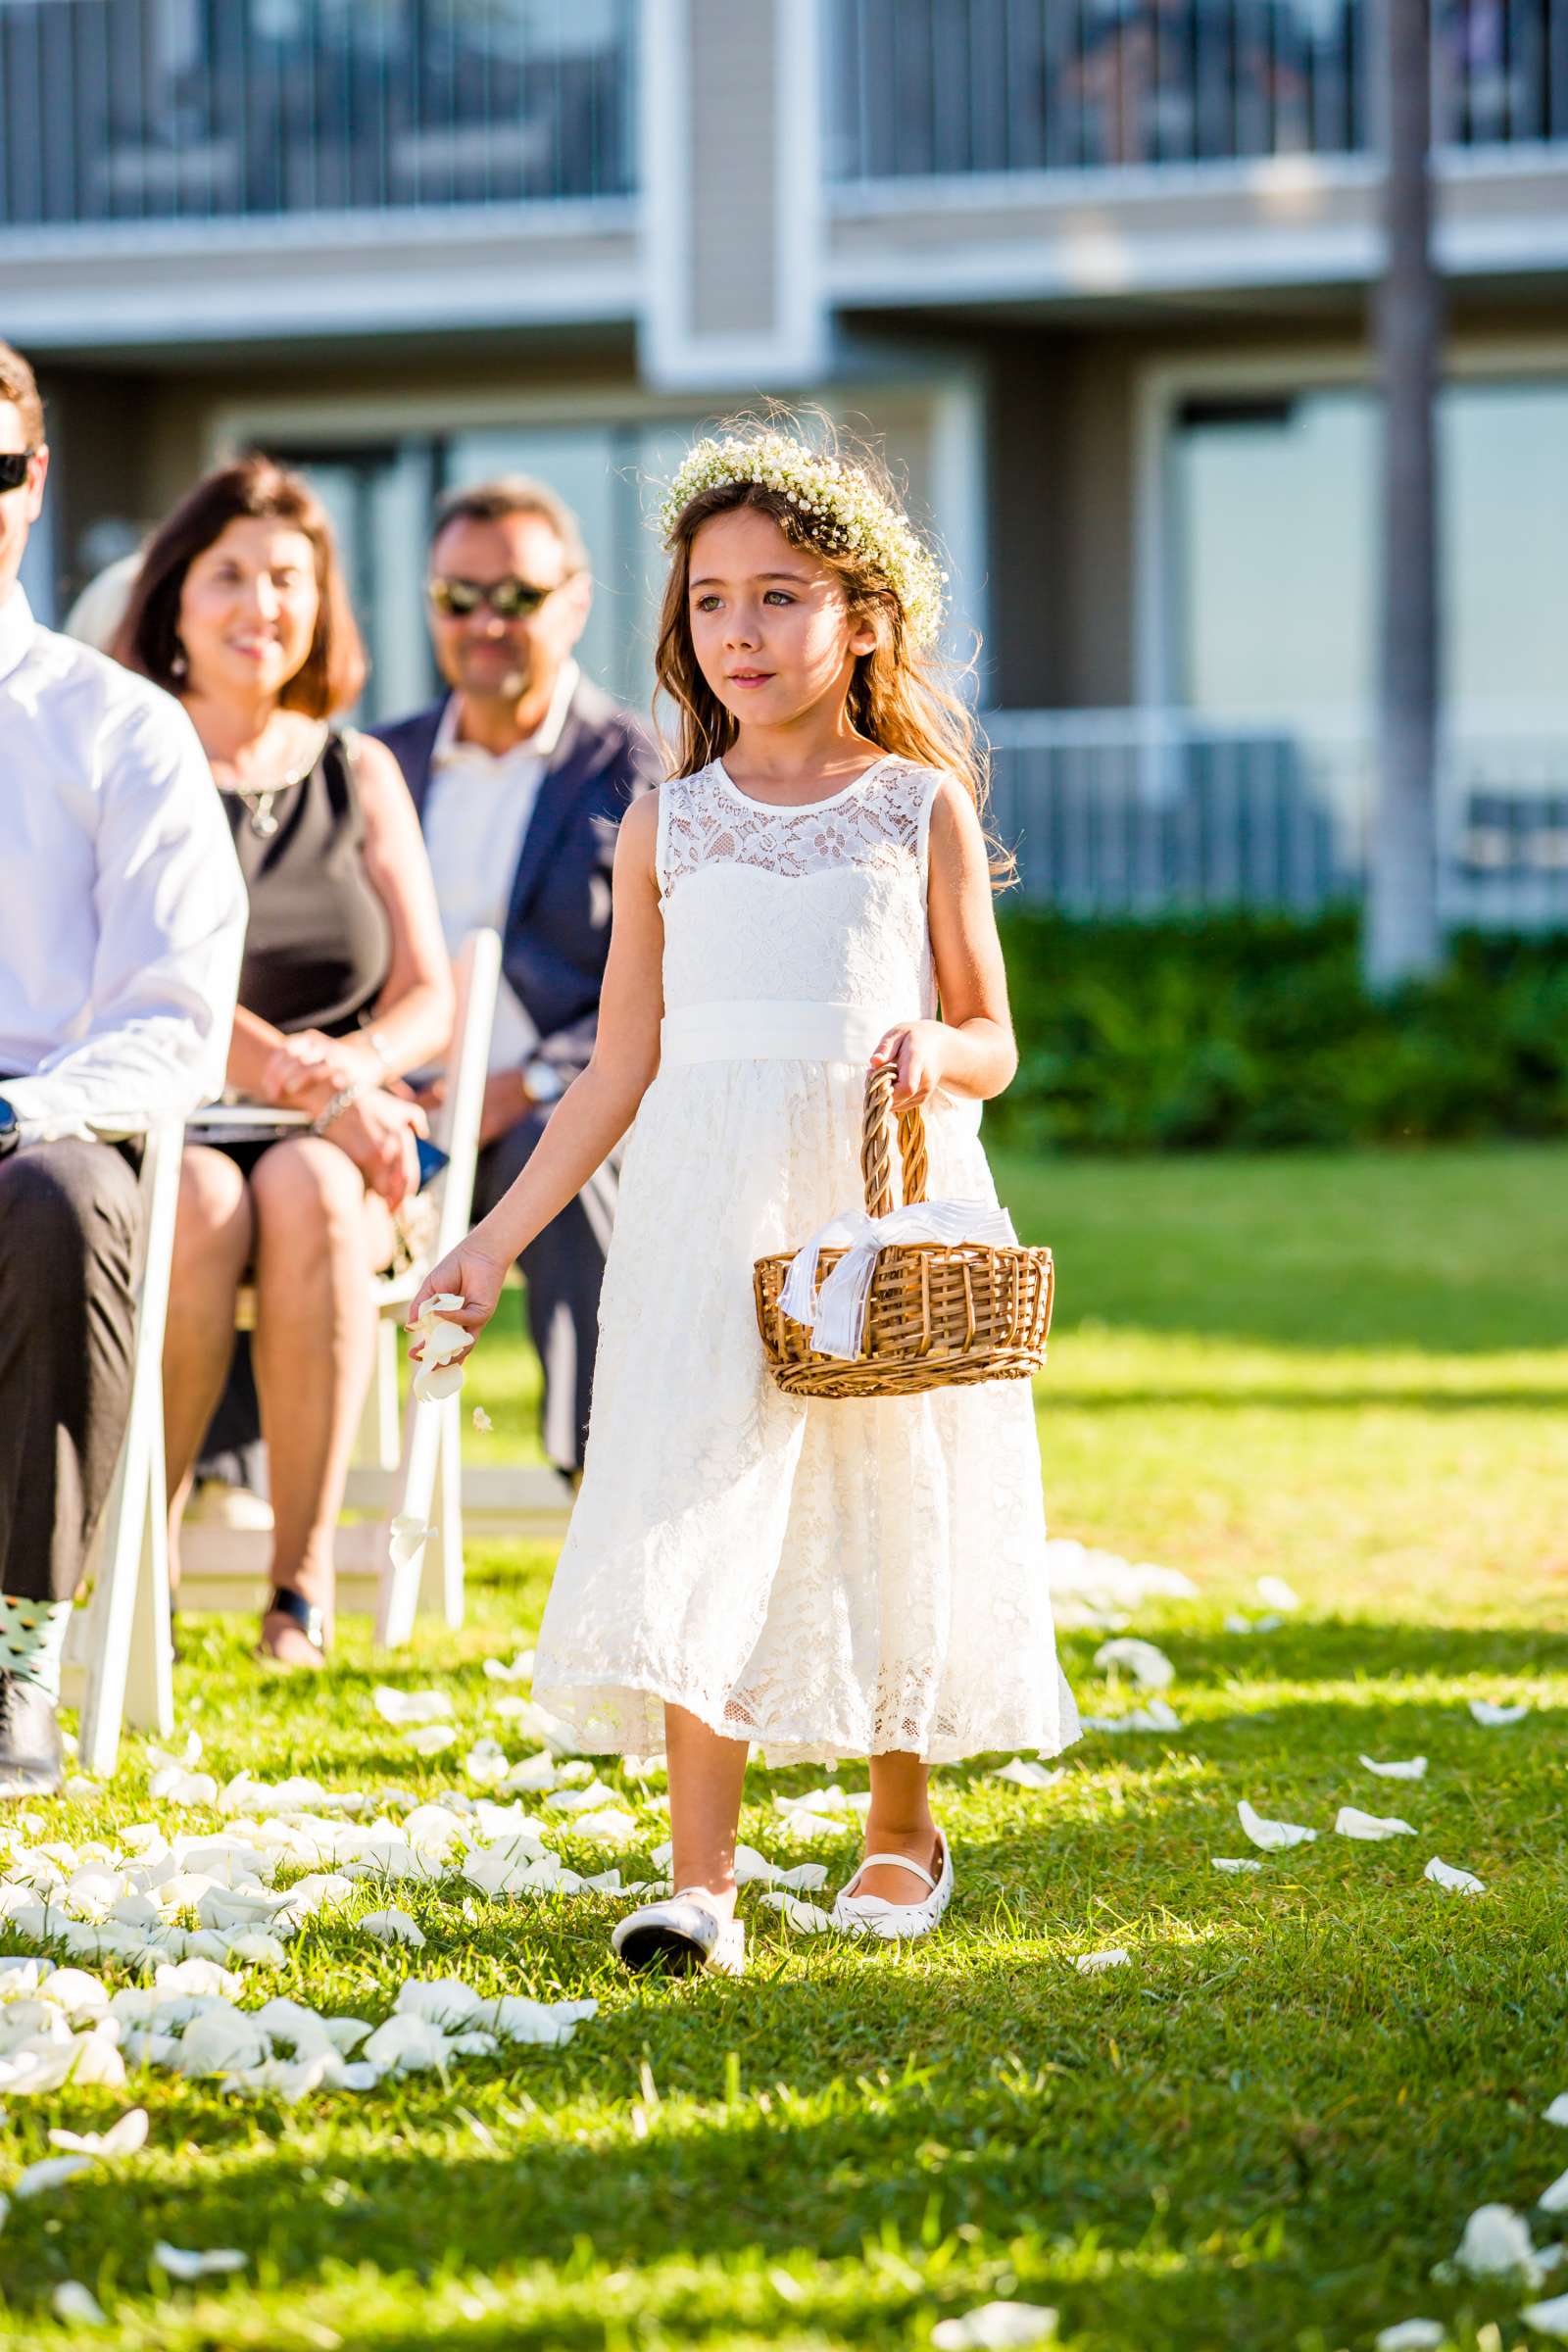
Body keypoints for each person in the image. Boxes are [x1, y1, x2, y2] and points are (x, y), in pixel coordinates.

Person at [410, 423, 1079, 1974]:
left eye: (780, 596)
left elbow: (996, 1035)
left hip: (869, 1200)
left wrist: (940, 1053)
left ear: (860, 616)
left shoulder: (916, 809)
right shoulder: (670, 820)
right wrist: (496, 1237)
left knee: (883, 1493)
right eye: (712, 602)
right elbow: (612, 1072)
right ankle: (696, 1873)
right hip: (706, 1205)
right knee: (693, 1492)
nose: (742, 633)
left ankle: (901, 1830)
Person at [117, 458, 454, 1669]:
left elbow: (430, 993)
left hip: (337, 1144)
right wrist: (311, 1081)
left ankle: (297, 1590)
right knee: (202, 1204)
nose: (260, 605)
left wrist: (353, 1075)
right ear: (173, 602)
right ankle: (135, 1571)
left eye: (288, 580)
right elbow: (130, 979)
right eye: (230, 577)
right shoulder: (129, 758)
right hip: (166, 1121)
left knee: (310, 1194)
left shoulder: (359, 771)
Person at [0, 340, 247, 1792]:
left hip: (42, 1121)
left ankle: (14, 1661)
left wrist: (23, 1108)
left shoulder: (120, 733)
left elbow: (172, 1019)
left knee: (65, 1200)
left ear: (32, 482)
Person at [373, 479, 660, 1479]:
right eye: (459, 597)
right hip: (393, 1110)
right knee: (260, 1176)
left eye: (517, 597)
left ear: (575, 602)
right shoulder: (379, 764)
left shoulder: (643, 770)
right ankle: (235, 1491)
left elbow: (667, 984)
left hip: (549, 1105)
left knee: (571, 1163)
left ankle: (598, 1472)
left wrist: (527, 1087)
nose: (485, 622)